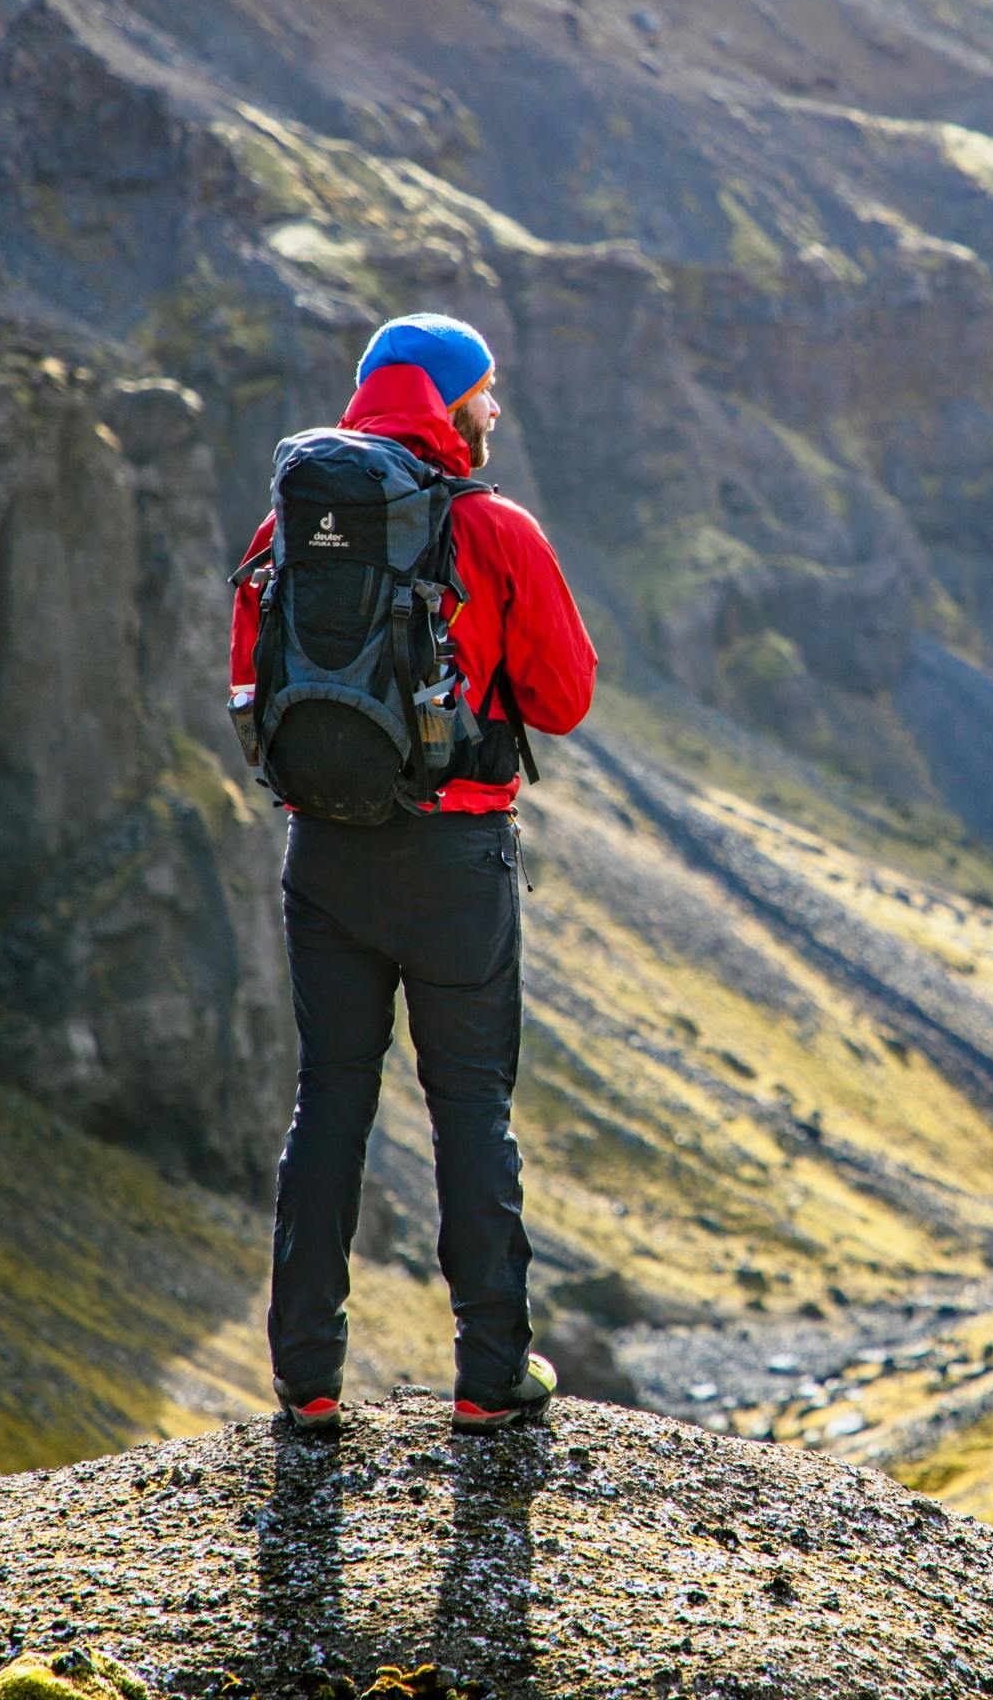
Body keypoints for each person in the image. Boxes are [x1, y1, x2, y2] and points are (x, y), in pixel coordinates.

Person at [228, 311, 597, 1437]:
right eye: (482, 393)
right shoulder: (495, 531)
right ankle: (491, 1373)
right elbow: (567, 697)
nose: (493, 412)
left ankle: (309, 1379)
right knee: (471, 1105)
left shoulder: (287, 525)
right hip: (455, 860)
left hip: (327, 854)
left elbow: (252, 683)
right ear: (446, 403)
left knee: (330, 1097)